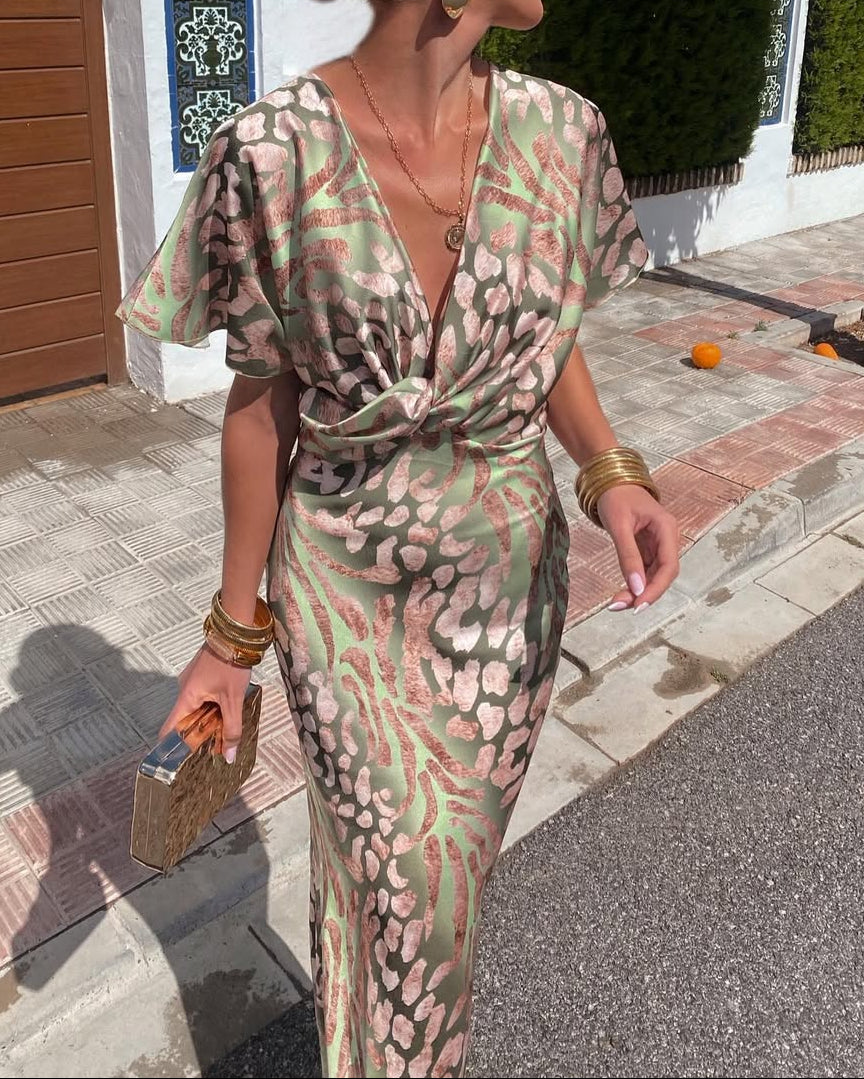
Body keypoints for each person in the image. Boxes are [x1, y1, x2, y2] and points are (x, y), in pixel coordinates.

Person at [117, 1, 680, 1074]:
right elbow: (261, 406)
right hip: (345, 594)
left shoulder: (565, 133)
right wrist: (232, 639)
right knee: (410, 888)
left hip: (505, 594)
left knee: (425, 890)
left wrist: (612, 472)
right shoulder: (269, 153)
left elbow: (539, 329)